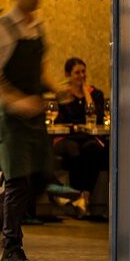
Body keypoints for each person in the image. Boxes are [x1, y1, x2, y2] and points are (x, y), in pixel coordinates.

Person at [0, 0, 59, 261]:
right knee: (18, 182)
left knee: (43, 175)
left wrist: (56, 89)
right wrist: (15, 100)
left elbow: (41, 70)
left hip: (34, 117)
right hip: (10, 119)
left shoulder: (37, 27)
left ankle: (9, 227)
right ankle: (11, 247)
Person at [53, 57, 108, 216]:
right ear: (68, 74)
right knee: (74, 150)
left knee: (93, 149)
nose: (81, 75)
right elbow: (60, 121)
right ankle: (80, 199)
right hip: (70, 139)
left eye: (83, 72)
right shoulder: (64, 96)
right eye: (77, 72)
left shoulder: (96, 94)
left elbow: (97, 117)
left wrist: (86, 92)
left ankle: (84, 197)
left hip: (90, 138)